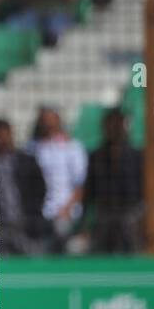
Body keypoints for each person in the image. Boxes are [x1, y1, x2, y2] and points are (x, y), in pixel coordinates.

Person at [77, 108, 143, 253]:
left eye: (117, 124)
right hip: (105, 215)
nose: (114, 129)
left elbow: (145, 192)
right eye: (110, 125)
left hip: (130, 213)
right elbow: (88, 192)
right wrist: (84, 224)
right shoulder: (96, 156)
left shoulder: (137, 156)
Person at [28, 107, 88, 247]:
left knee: (61, 231)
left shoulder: (73, 147)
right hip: (40, 214)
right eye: (44, 121)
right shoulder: (32, 148)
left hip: (65, 212)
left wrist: (66, 209)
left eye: (51, 121)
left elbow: (80, 184)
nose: (48, 125)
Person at [0, 119, 49, 254]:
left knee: (34, 262)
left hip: (26, 224)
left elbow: (40, 190)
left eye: (5, 135)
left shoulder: (27, 161)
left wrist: (32, 214)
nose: (3, 140)